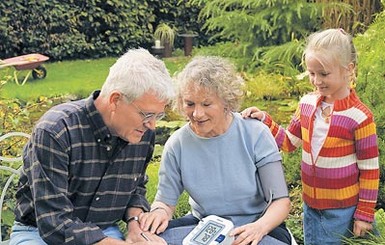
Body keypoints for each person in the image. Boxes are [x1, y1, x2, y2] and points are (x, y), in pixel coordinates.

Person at [9, 48, 175, 245]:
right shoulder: (56, 131)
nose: (153, 125)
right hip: (39, 234)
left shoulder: (142, 132)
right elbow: (53, 222)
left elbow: (135, 187)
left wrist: (135, 223)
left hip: (103, 230)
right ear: (115, 100)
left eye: (158, 116)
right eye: (147, 115)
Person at [241, 28, 380, 244]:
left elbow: (370, 170)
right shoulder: (306, 105)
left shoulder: (360, 117)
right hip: (311, 207)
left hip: (344, 211)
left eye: (324, 74)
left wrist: (364, 214)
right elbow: (289, 142)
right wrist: (265, 121)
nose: (316, 81)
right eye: (311, 73)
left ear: (348, 70)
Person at [138, 56, 293, 245]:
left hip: (257, 225)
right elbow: (165, 202)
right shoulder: (177, 144)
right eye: (190, 104)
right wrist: (159, 213)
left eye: (206, 104)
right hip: (204, 226)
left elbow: (281, 202)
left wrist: (259, 228)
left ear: (225, 101)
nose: (197, 114)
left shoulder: (255, 133)